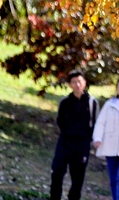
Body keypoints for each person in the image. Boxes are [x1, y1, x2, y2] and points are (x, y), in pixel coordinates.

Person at [50, 70, 99, 200]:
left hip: (82, 145)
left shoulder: (91, 102)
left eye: (79, 81)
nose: (77, 84)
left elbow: (94, 123)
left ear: (84, 83)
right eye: (74, 82)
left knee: (77, 177)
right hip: (65, 143)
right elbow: (60, 121)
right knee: (57, 172)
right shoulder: (65, 102)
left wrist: (89, 139)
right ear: (70, 84)